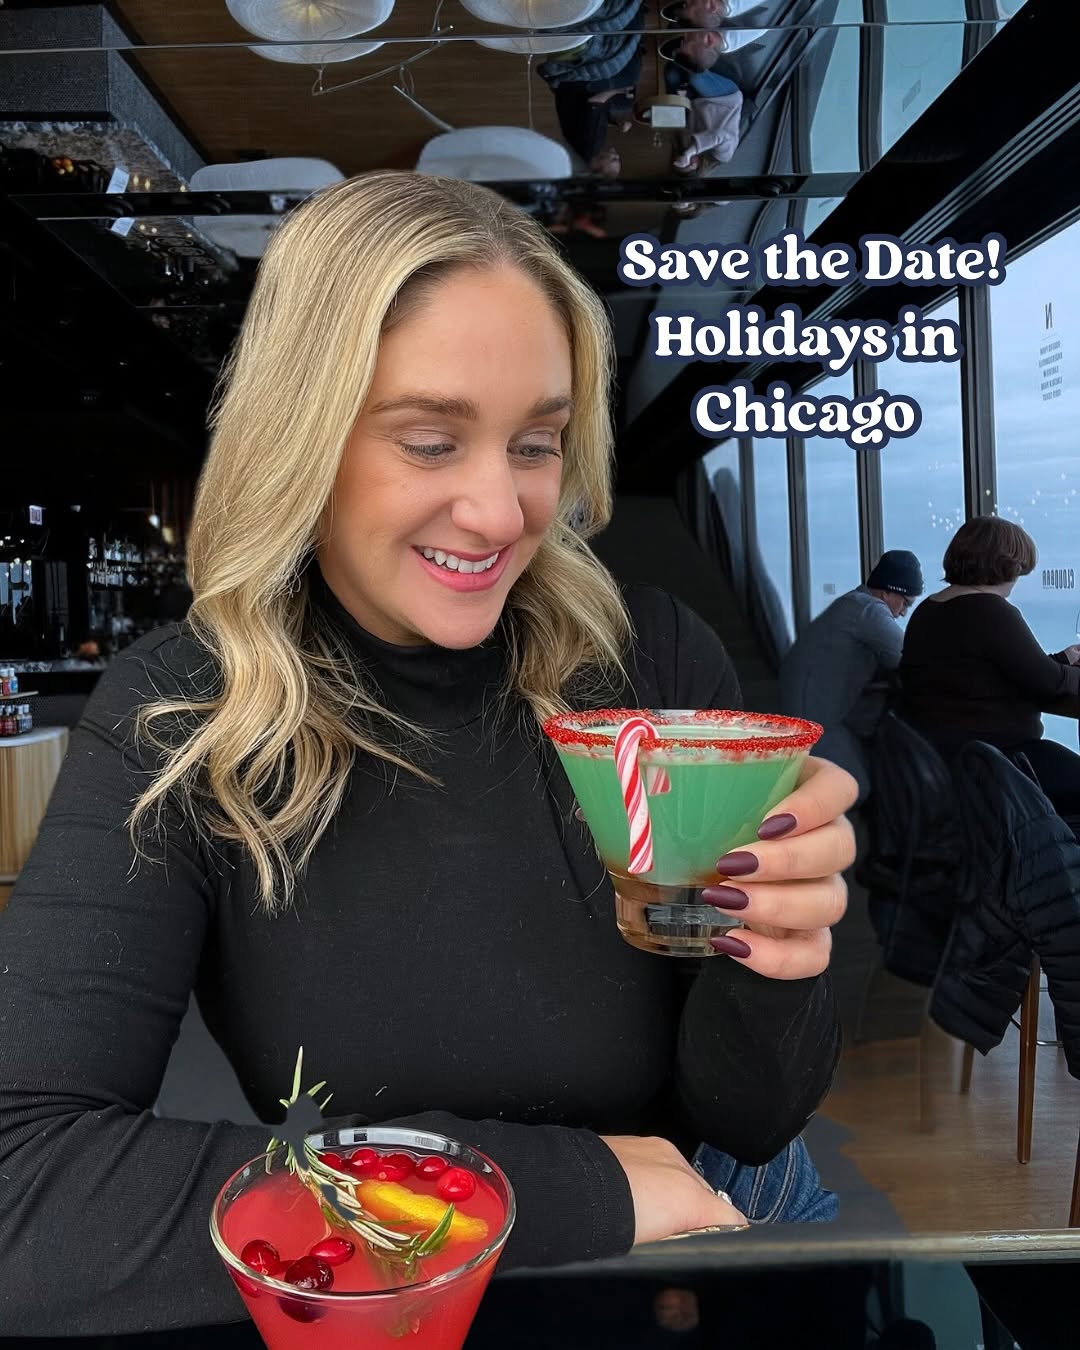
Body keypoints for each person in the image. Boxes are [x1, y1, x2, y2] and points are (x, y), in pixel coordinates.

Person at [0, 172, 856, 1337]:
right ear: (303, 437)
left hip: (685, 1252)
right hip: (406, 1279)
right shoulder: (183, 715)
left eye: (537, 443)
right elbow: (24, 1196)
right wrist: (556, 1190)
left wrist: (779, 953)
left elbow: (749, 1116)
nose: (502, 514)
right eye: (430, 441)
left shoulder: (646, 664)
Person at [900, 517, 1080, 818]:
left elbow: (992, 669)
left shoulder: (929, 609)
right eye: (1019, 567)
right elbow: (1049, 683)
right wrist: (1066, 672)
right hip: (1000, 764)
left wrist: (1062, 659)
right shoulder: (989, 610)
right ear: (1005, 565)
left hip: (946, 762)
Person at [779, 551, 925, 804]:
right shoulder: (870, 611)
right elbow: (909, 658)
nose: (903, 613)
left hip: (803, 715)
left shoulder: (852, 604)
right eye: (905, 603)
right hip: (815, 724)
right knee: (857, 787)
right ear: (887, 593)